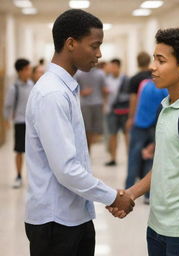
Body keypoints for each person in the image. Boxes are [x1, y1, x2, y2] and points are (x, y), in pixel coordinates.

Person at [25, 9, 134, 256]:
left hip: (73, 216)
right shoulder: (52, 94)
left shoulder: (65, 88)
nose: (99, 54)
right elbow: (66, 168)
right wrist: (112, 197)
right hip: (55, 222)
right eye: (94, 46)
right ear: (71, 43)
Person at [109, 28, 179, 256]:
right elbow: (163, 165)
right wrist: (131, 194)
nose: (153, 67)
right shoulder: (167, 107)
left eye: (161, 60)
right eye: (153, 59)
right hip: (158, 226)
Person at [125, 79, 168, 204]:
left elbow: (136, 101)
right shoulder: (164, 88)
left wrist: (131, 118)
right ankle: (148, 194)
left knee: (133, 158)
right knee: (150, 159)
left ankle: (128, 189)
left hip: (139, 124)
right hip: (154, 126)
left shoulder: (143, 84)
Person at [3, 58, 33, 188]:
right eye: (27, 69)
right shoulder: (14, 88)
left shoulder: (32, 85)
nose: (29, 72)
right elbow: (7, 105)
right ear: (20, 71)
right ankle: (19, 176)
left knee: (33, 152)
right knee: (19, 150)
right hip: (20, 123)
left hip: (32, 123)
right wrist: (6, 120)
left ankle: (32, 177)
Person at [74, 67, 108, 151]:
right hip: (85, 104)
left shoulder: (100, 73)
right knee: (86, 128)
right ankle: (87, 149)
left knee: (96, 129)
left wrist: (105, 102)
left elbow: (104, 89)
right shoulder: (79, 73)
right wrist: (82, 92)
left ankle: (89, 148)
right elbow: (73, 89)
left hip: (97, 103)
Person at [105, 58, 130, 166]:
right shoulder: (107, 79)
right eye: (111, 67)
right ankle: (113, 158)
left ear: (119, 67)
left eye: (114, 67)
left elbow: (130, 95)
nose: (112, 69)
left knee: (126, 134)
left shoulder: (126, 79)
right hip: (112, 111)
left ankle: (130, 157)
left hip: (124, 111)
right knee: (112, 134)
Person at [126, 51, 152, 132]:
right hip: (155, 115)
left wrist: (130, 118)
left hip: (140, 117)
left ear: (137, 62)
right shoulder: (155, 76)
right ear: (149, 61)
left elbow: (133, 100)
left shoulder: (134, 79)